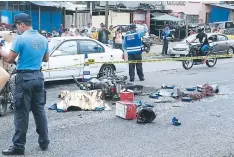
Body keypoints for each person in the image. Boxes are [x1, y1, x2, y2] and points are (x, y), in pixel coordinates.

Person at [0, 13, 50, 155]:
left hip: (24, 78)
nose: (17, 29)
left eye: (17, 26)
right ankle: (44, 142)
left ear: (22, 24)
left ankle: (18, 147)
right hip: (38, 77)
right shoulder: (43, 38)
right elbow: (46, 58)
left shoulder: (20, 39)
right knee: (39, 111)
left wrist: (1, 52)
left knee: (21, 114)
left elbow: (10, 59)